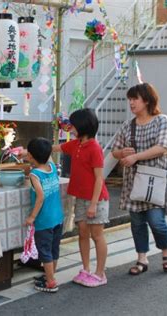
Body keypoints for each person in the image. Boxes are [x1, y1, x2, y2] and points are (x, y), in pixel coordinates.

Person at [111, 83, 167, 275]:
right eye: (129, 99)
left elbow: (163, 147)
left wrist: (136, 157)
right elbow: (115, 151)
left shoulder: (162, 121)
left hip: (156, 180)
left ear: (146, 100)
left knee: (157, 221)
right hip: (134, 181)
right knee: (137, 221)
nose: (131, 103)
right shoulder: (127, 125)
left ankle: (166, 252)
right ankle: (142, 258)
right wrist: (122, 153)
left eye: (134, 99)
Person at [52, 108, 109, 287]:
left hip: (96, 199)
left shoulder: (94, 148)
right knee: (83, 233)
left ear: (83, 125)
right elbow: (57, 148)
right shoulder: (76, 144)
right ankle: (86, 269)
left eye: (73, 124)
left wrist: (93, 204)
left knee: (97, 235)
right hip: (80, 197)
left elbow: (99, 178)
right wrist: (32, 149)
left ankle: (100, 274)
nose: (71, 127)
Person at [24, 137, 64, 293]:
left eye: (28, 154)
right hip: (57, 217)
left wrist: (32, 217)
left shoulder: (34, 175)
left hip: (44, 220)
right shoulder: (52, 167)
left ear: (32, 156)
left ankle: (51, 282)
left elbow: (40, 197)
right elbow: (48, 156)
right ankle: (50, 276)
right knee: (54, 249)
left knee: (45, 251)